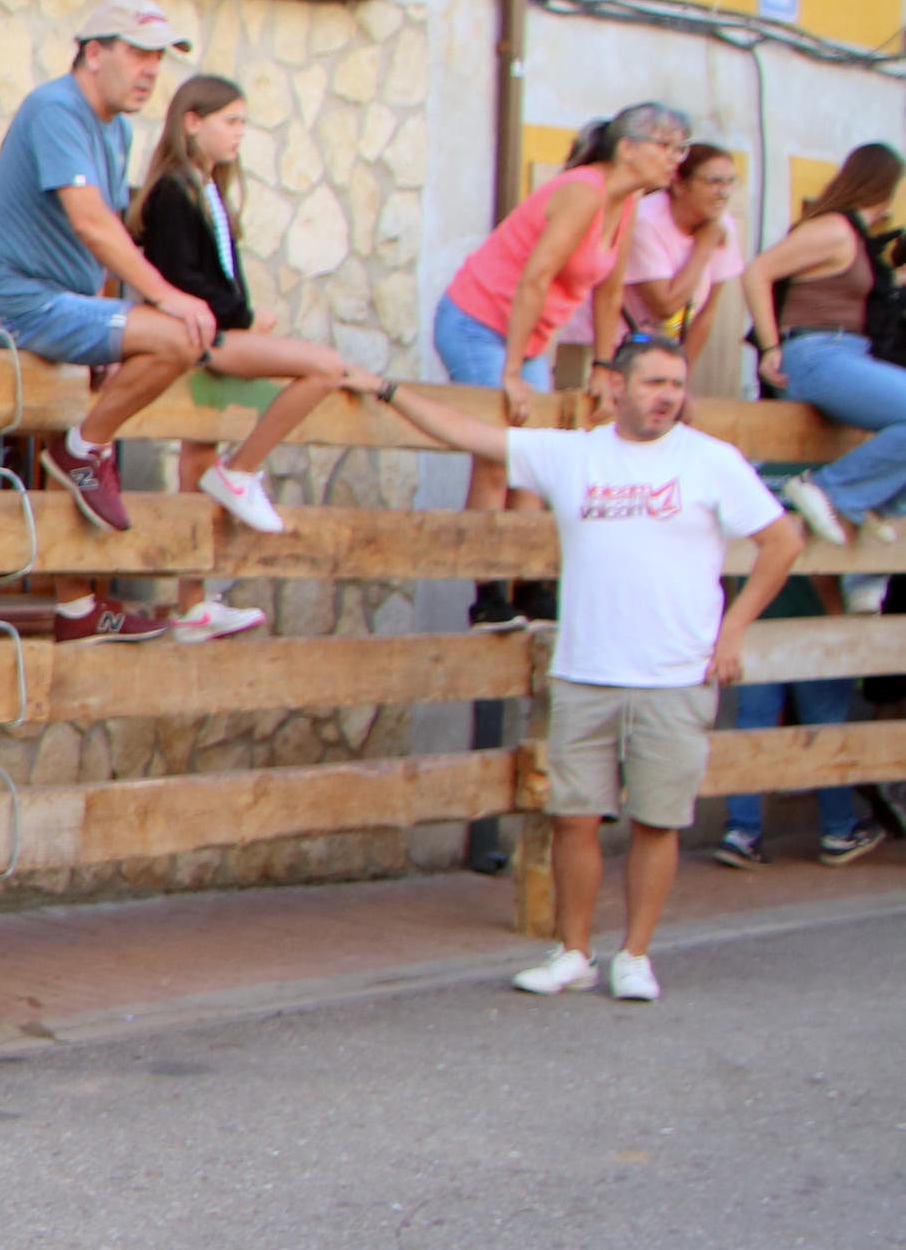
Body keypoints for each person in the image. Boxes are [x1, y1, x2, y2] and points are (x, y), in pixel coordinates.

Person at [375, 336, 802, 1003]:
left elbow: (782, 540)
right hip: (585, 670)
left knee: (656, 820)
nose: (666, 395)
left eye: (676, 384)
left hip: (674, 673)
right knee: (574, 816)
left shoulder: (709, 461)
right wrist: (386, 389)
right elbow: (472, 435)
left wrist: (733, 628)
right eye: (654, 381)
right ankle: (572, 950)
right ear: (615, 385)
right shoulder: (572, 454)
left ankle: (634, 954)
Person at [0, 0, 221, 640]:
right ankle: (83, 448)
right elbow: (90, 222)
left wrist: (109, 332)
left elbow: (102, 238)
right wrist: (161, 296)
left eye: (158, 57)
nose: (150, 70)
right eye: (136, 52)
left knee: (67, 441)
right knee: (177, 338)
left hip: (70, 304)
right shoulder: (55, 108)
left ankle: (76, 605)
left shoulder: (117, 128)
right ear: (92, 51)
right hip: (21, 301)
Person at [126, 75, 393, 639]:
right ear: (192, 122)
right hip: (201, 337)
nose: (240, 133)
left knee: (196, 455)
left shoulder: (208, 190)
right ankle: (243, 469)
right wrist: (244, 319)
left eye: (244, 122)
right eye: (231, 121)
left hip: (218, 330)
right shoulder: (175, 192)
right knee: (320, 366)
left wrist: (244, 313)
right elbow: (178, 278)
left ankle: (193, 602)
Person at [435, 103, 692, 613]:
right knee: (497, 454)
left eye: (680, 149)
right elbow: (536, 276)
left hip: (526, 336)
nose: (675, 160)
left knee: (536, 456)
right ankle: (487, 594)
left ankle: (528, 581)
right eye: (665, 147)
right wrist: (511, 371)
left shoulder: (627, 202)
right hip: (480, 322)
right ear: (627, 147)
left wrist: (603, 365)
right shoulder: (583, 191)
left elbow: (609, 291)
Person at [740, 144, 906, 547]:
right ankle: (829, 490)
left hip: (847, 353)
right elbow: (758, 272)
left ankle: (877, 504)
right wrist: (770, 347)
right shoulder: (834, 230)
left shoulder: (861, 241)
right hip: (815, 351)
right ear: (885, 186)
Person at [708, 572, 884, 869]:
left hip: (754, 630)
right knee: (825, 728)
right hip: (814, 628)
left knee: (752, 729)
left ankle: (742, 832)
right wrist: (840, 623)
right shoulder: (799, 526)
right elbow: (821, 576)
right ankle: (839, 830)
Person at [624, 142, 749, 387]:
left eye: (730, 182)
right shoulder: (645, 221)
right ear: (679, 184)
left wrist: (681, 378)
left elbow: (706, 312)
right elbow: (665, 306)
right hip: (617, 343)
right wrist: (703, 248)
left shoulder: (720, 222)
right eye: (713, 182)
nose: (723, 193)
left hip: (664, 347)